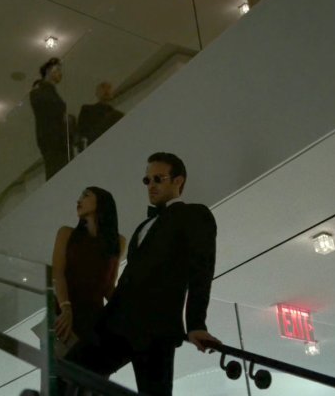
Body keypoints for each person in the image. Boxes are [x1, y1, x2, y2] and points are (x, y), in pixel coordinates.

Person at [63, 152, 220, 396]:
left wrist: (196, 323)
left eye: (159, 179)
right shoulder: (141, 228)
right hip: (117, 323)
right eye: (147, 180)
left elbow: (203, 269)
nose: (151, 186)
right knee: (67, 371)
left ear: (178, 181)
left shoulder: (194, 215)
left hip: (155, 328)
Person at [51, 187, 127, 357]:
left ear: (101, 202)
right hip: (66, 314)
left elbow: (108, 287)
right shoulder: (66, 233)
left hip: (95, 320)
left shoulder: (118, 242)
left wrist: (126, 313)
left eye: (85, 196)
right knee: (63, 373)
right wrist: (66, 308)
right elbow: (58, 273)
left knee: (94, 375)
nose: (79, 200)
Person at [30, 58, 72, 180]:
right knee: (56, 169)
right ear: (49, 70)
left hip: (59, 137)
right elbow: (44, 106)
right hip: (51, 137)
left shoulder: (50, 91)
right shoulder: (39, 89)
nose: (60, 73)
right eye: (57, 70)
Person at [77, 82, 124, 149]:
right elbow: (83, 132)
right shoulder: (87, 110)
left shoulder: (118, 115)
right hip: (96, 146)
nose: (106, 90)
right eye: (103, 87)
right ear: (97, 93)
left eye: (109, 88)